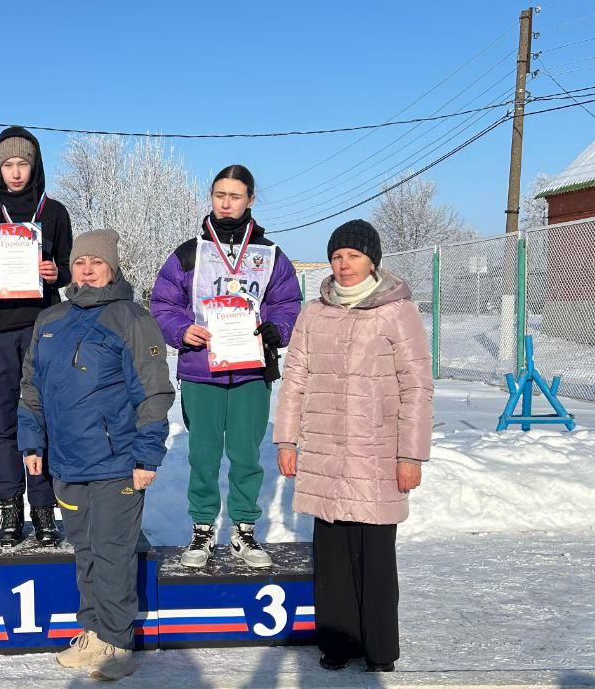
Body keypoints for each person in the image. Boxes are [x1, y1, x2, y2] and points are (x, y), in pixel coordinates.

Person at [273, 219, 433, 673]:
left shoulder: (397, 312)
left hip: (377, 454)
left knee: (376, 557)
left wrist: (410, 455)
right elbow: (295, 382)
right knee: (332, 556)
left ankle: (380, 649)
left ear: (372, 261)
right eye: (338, 256)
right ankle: (337, 644)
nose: (344, 265)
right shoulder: (314, 312)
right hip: (324, 452)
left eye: (354, 256)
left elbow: (417, 386)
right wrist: (286, 439)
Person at [18, 229, 175, 680]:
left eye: (96, 262)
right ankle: (92, 632)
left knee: (113, 552)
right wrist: (33, 442)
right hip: (67, 462)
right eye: (80, 261)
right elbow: (31, 388)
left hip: (116, 462)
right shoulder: (50, 320)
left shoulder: (131, 318)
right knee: (85, 550)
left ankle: (116, 642)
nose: (86, 269)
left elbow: (153, 392)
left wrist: (147, 455)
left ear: (112, 267)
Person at [149, 165, 303, 569]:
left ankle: (243, 530)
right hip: (202, 370)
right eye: (220, 195)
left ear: (250, 199)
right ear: (211, 197)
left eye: (235, 196)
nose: (227, 203)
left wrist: (277, 329)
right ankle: (201, 529)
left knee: (245, 454)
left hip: (251, 370)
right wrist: (183, 331)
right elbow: (163, 304)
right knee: (202, 453)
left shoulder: (270, 254)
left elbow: (288, 303)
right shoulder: (189, 253)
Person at [0, 126, 73, 546]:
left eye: (22, 163)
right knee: (3, 420)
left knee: (43, 416)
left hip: (44, 325)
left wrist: (56, 273)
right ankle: (9, 506)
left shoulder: (55, 212)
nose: (15, 172)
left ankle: (44, 510)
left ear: (35, 166)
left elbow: (68, 268)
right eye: (7, 164)